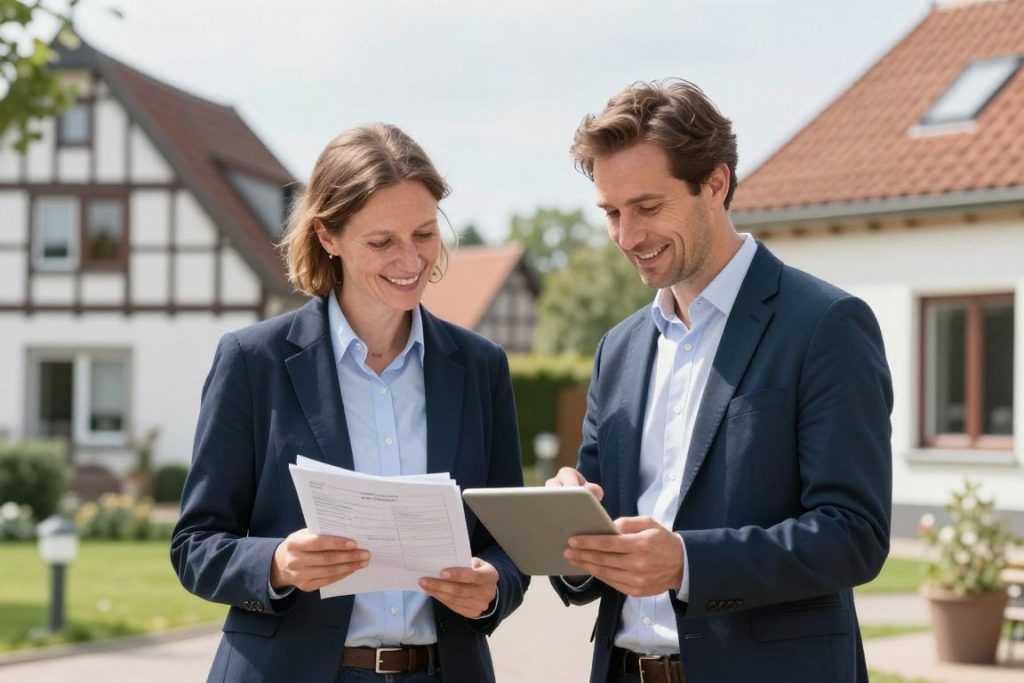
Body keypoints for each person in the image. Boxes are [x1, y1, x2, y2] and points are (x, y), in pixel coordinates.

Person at [546, 80, 893, 683]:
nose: (628, 237)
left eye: (648, 208)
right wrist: (570, 530)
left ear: (715, 183)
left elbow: (854, 534)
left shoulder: (826, 326)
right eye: (612, 213)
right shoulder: (619, 350)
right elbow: (598, 545)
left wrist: (686, 563)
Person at [171, 123, 529, 683]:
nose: (410, 260)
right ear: (327, 236)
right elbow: (195, 545)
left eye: (424, 234)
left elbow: (506, 545)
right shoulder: (252, 361)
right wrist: (277, 565)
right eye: (382, 241)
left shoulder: (480, 367)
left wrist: (493, 588)